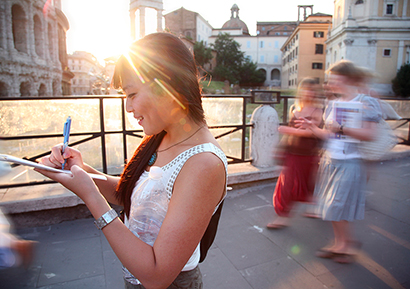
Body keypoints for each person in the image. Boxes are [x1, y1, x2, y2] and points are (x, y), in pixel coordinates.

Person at [37, 33, 228, 288]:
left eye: (132, 93)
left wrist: (91, 197)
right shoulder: (163, 134)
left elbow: (157, 275)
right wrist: (80, 170)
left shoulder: (204, 164)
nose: (127, 107)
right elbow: (135, 194)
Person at [295, 60, 381, 264]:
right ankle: (340, 243)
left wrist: (342, 129)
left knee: (337, 205)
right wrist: (312, 128)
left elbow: (370, 135)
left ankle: (347, 244)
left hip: (350, 162)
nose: (331, 83)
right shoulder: (333, 103)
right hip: (330, 161)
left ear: (347, 79)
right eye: (330, 79)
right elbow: (329, 134)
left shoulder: (365, 102)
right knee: (329, 205)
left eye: (335, 79)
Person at [267, 78, 323, 229]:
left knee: (307, 184)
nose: (308, 93)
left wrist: (286, 129)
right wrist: (281, 148)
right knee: (286, 185)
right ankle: (282, 217)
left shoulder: (318, 111)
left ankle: (313, 206)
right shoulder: (295, 108)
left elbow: (311, 133)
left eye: (312, 90)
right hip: (292, 153)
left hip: (309, 154)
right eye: (306, 89)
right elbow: (289, 135)